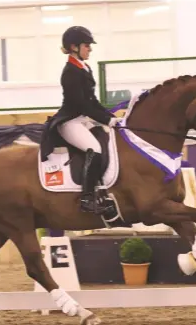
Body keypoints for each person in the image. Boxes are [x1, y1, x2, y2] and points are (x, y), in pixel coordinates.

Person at [40, 26, 121, 214]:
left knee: (109, 142)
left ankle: (102, 190)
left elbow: (93, 101)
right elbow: (82, 105)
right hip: (71, 121)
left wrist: (112, 118)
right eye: (87, 45)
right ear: (74, 47)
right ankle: (87, 197)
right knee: (95, 150)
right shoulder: (70, 72)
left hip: (84, 119)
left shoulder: (84, 67)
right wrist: (106, 121)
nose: (90, 49)